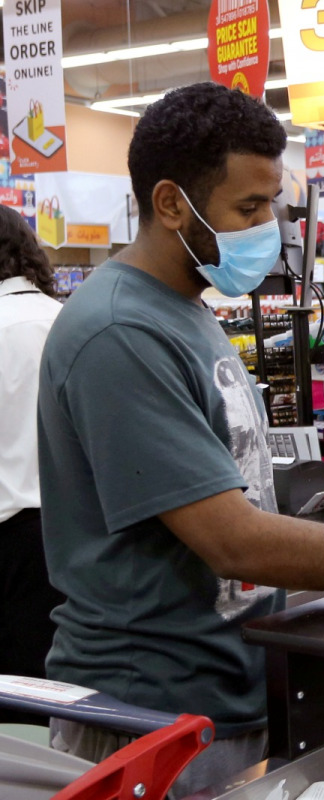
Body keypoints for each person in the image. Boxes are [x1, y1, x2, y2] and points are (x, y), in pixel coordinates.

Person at [36, 83, 324, 797]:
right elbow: (235, 542)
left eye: (273, 205)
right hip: (150, 718)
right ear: (171, 203)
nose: (270, 227)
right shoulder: (120, 330)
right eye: (248, 208)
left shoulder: (187, 309)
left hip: (220, 694)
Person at [0, 206, 64, 725]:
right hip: (81, 534)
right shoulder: (72, 321)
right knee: (62, 696)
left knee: (14, 709)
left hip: (9, 542)